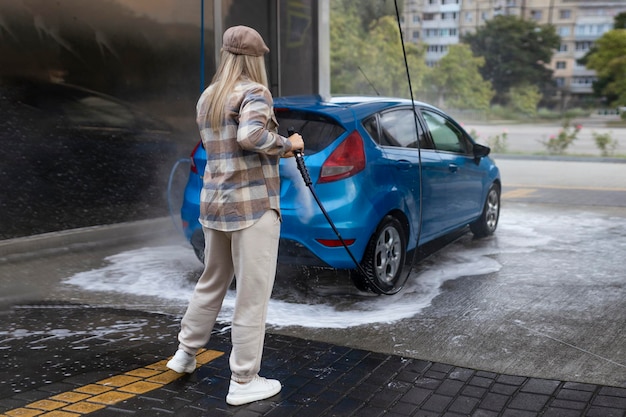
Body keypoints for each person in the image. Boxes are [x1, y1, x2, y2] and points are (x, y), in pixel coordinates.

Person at [166, 25, 304, 406]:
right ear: (253, 58)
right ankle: (244, 381)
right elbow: (251, 136)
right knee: (252, 295)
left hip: (214, 206)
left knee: (211, 282)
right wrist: (287, 144)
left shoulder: (209, 96)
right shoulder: (255, 92)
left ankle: (184, 354)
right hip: (253, 208)